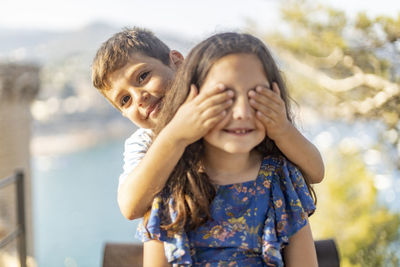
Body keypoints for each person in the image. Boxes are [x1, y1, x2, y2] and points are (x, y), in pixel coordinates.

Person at [91, 28, 325, 223]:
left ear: (176, 61)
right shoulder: (143, 142)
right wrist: (175, 136)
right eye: (125, 100)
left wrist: (282, 129)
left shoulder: (229, 114)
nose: (139, 97)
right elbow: (130, 207)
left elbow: (315, 172)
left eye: (142, 76)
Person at [136, 32, 318, 266]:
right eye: (224, 97)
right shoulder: (168, 188)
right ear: (190, 101)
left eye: (256, 96)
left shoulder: (280, 181)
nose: (241, 112)